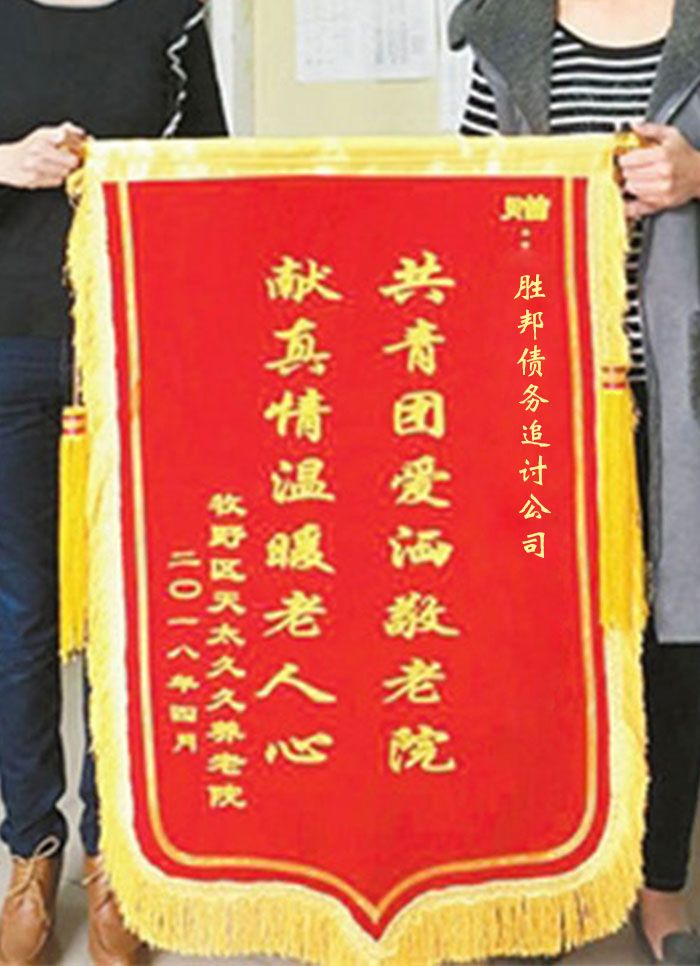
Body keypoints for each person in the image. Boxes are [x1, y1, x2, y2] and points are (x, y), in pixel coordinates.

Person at [450, 0, 700, 963]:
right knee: (536, 636)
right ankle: (542, 865)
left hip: (678, 389)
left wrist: (696, 176)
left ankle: (660, 879)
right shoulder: (507, 26)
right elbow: (468, 194)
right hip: (538, 389)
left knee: (677, 642)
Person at [0, 0, 227, 962]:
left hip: (134, 351)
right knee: (19, 615)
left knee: (125, 614)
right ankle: (30, 851)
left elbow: (213, 176)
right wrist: (4, 162)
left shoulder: (174, 15)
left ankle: (114, 855)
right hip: (7, 348)